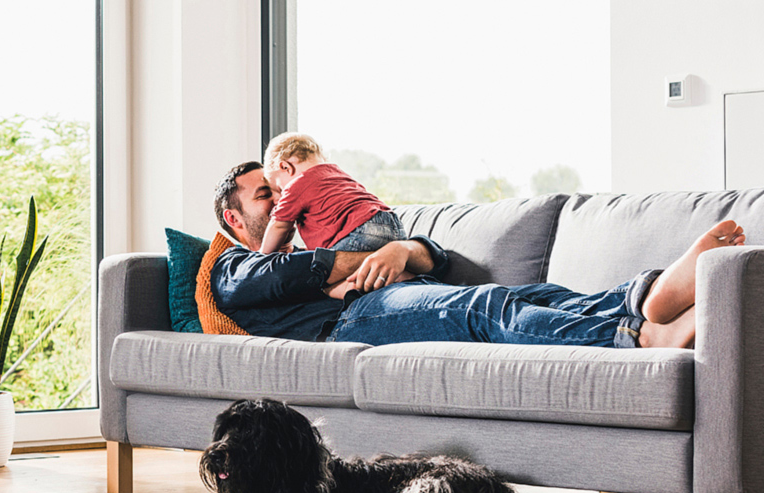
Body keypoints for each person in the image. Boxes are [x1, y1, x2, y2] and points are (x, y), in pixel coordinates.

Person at [211, 161, 746, 348]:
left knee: (535, 295)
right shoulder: (233, 266)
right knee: (483, 307)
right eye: (266, 196)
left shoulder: (318, 231)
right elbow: (284, 276)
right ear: (234, 220)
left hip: (400, 293)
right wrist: (361, 265)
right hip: (348, 320)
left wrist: (402, 248)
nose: (282, 200)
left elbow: (436, 257)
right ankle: (641, 336)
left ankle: (649, 297)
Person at [258, 132, 406, 255]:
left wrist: (261, 256)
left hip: (361, 230)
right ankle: (404, 275)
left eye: (279, 188)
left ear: (285, 167)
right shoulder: (336, 173)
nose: (279, 198)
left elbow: (278, 226)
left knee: (322, 274)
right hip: (393, 225)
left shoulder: (296, 186)